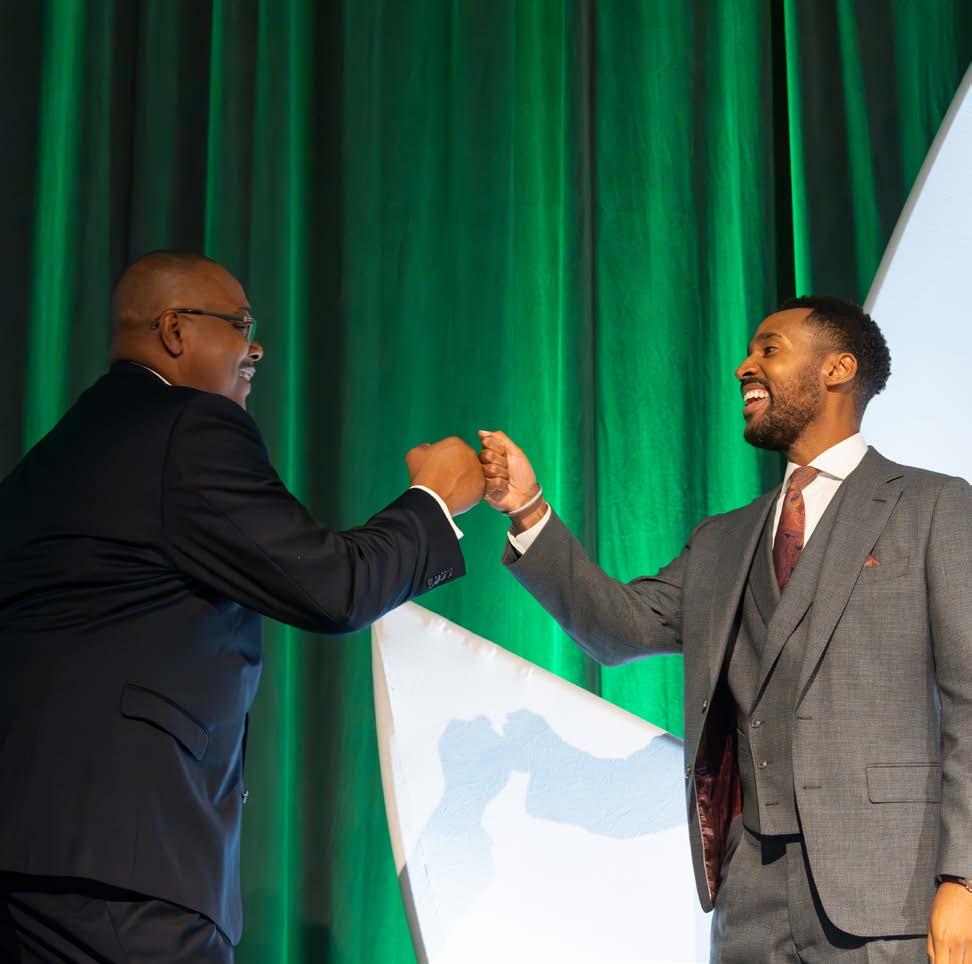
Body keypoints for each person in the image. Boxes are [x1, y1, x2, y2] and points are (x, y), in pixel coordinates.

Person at [0, 251, 484, 962]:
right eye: (240, 326)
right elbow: (332, 587)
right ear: (175, 331)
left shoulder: (48, 457)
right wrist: (434, 500)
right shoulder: (186, 427)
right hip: (126, 867)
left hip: (35, 861)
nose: (255, 349)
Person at [479, 296, 972, 962]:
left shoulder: (933, 506)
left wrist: (963, 878)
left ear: (838, 369)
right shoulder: (724, 539)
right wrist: (529, 511)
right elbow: (619, 628)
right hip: (750, 901)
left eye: (769, 349)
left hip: (888, 894)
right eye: (748, 352)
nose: (744, 366)